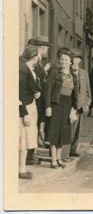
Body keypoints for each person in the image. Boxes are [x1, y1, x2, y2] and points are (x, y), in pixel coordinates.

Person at [44, 48, 78, 169]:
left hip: (67, 104)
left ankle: (59, 158)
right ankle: (53, 159)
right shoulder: (54, 72)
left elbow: (75, 94)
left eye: (66, 59)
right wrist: (48, 106)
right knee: (54, 132)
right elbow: (48, 89)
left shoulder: (73, 75)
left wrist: (74, 110)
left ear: (70, 62)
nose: (64, 61)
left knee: (63, 133)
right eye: (62, 59)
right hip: (56, 104)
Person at [20, 35, 50, 164]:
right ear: (41, 48)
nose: (46, 50)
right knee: (31, 127)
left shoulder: (42, 61)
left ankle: (32, 153)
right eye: (45, 48)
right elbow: (40, 79)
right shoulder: (35, 62)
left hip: (39, 97)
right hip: (33, 99)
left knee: (36, 126)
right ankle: (29, 156)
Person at [61, 48, 91, 161]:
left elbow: (87, 90)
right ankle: (65, 152)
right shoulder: (66, 72)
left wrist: (87, 102)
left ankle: (73, 149)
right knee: (68, 127)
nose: (76, 61)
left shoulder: (84, 73)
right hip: (69, 104)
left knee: (78, 128)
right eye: (74, 59)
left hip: (80, 104)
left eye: (78, 59)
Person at [19, 46, 41, 179]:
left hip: (30, 106)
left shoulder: (28, 69)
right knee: (24, 140)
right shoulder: (23, 71)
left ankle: (22, 168)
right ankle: (21, 170)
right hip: (26, 108)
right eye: (37, 56)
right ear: (34, 57)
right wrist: (24, 113)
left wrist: (36, 91)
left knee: (26, 139)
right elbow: (19, 94)